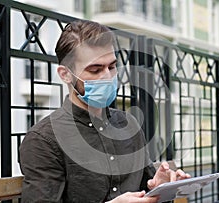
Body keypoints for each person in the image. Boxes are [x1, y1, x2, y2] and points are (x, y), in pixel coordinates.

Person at [19, 19, 191, 203]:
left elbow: (146, 187)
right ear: (65, 74)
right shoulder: (43, 140)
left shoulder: (128, 123)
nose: (108, 77)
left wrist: (160, 187)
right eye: (95, 70)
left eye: (112, 66)